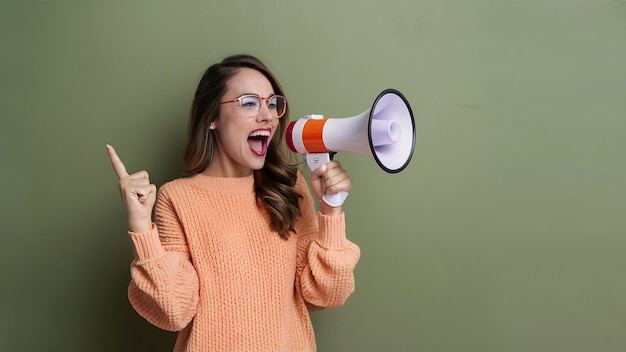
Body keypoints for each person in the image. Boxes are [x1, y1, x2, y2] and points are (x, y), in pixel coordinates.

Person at [106, 54, 360, 352]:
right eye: (250, 103)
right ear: (212, 117)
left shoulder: (288, 188)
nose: (267, 116)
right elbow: (174, 310)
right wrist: (141, 227)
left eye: (272, 103)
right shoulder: (178, 198)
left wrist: (331, 207)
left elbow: (327, 294)